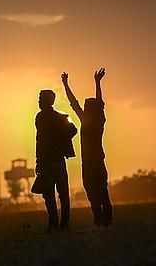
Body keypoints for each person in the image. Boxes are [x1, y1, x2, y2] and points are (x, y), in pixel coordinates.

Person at [61, 68, 113, 226]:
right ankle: (105, 219)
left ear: (89, 109)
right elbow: (98, 103)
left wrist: (65, 85)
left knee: (92, 193)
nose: (82, 107)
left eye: (85, 106)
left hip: (90, 164)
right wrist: (97, 83)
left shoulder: (87, 120)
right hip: (98, 161)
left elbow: (73, 103)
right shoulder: (99, 120)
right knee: (102, 192)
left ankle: (100, 219)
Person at [33, 89, 77, 232]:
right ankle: (64, 224)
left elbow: (40, 142)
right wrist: (62, 140)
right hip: (58, 161)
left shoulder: (40, 118)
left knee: (49, 196)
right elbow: (73, 130)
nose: (38, 101)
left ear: (47, 101)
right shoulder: (60, 117)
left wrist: (38, 162)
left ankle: (54, 225)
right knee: (63, 195)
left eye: (41, 99)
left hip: (46, 162)